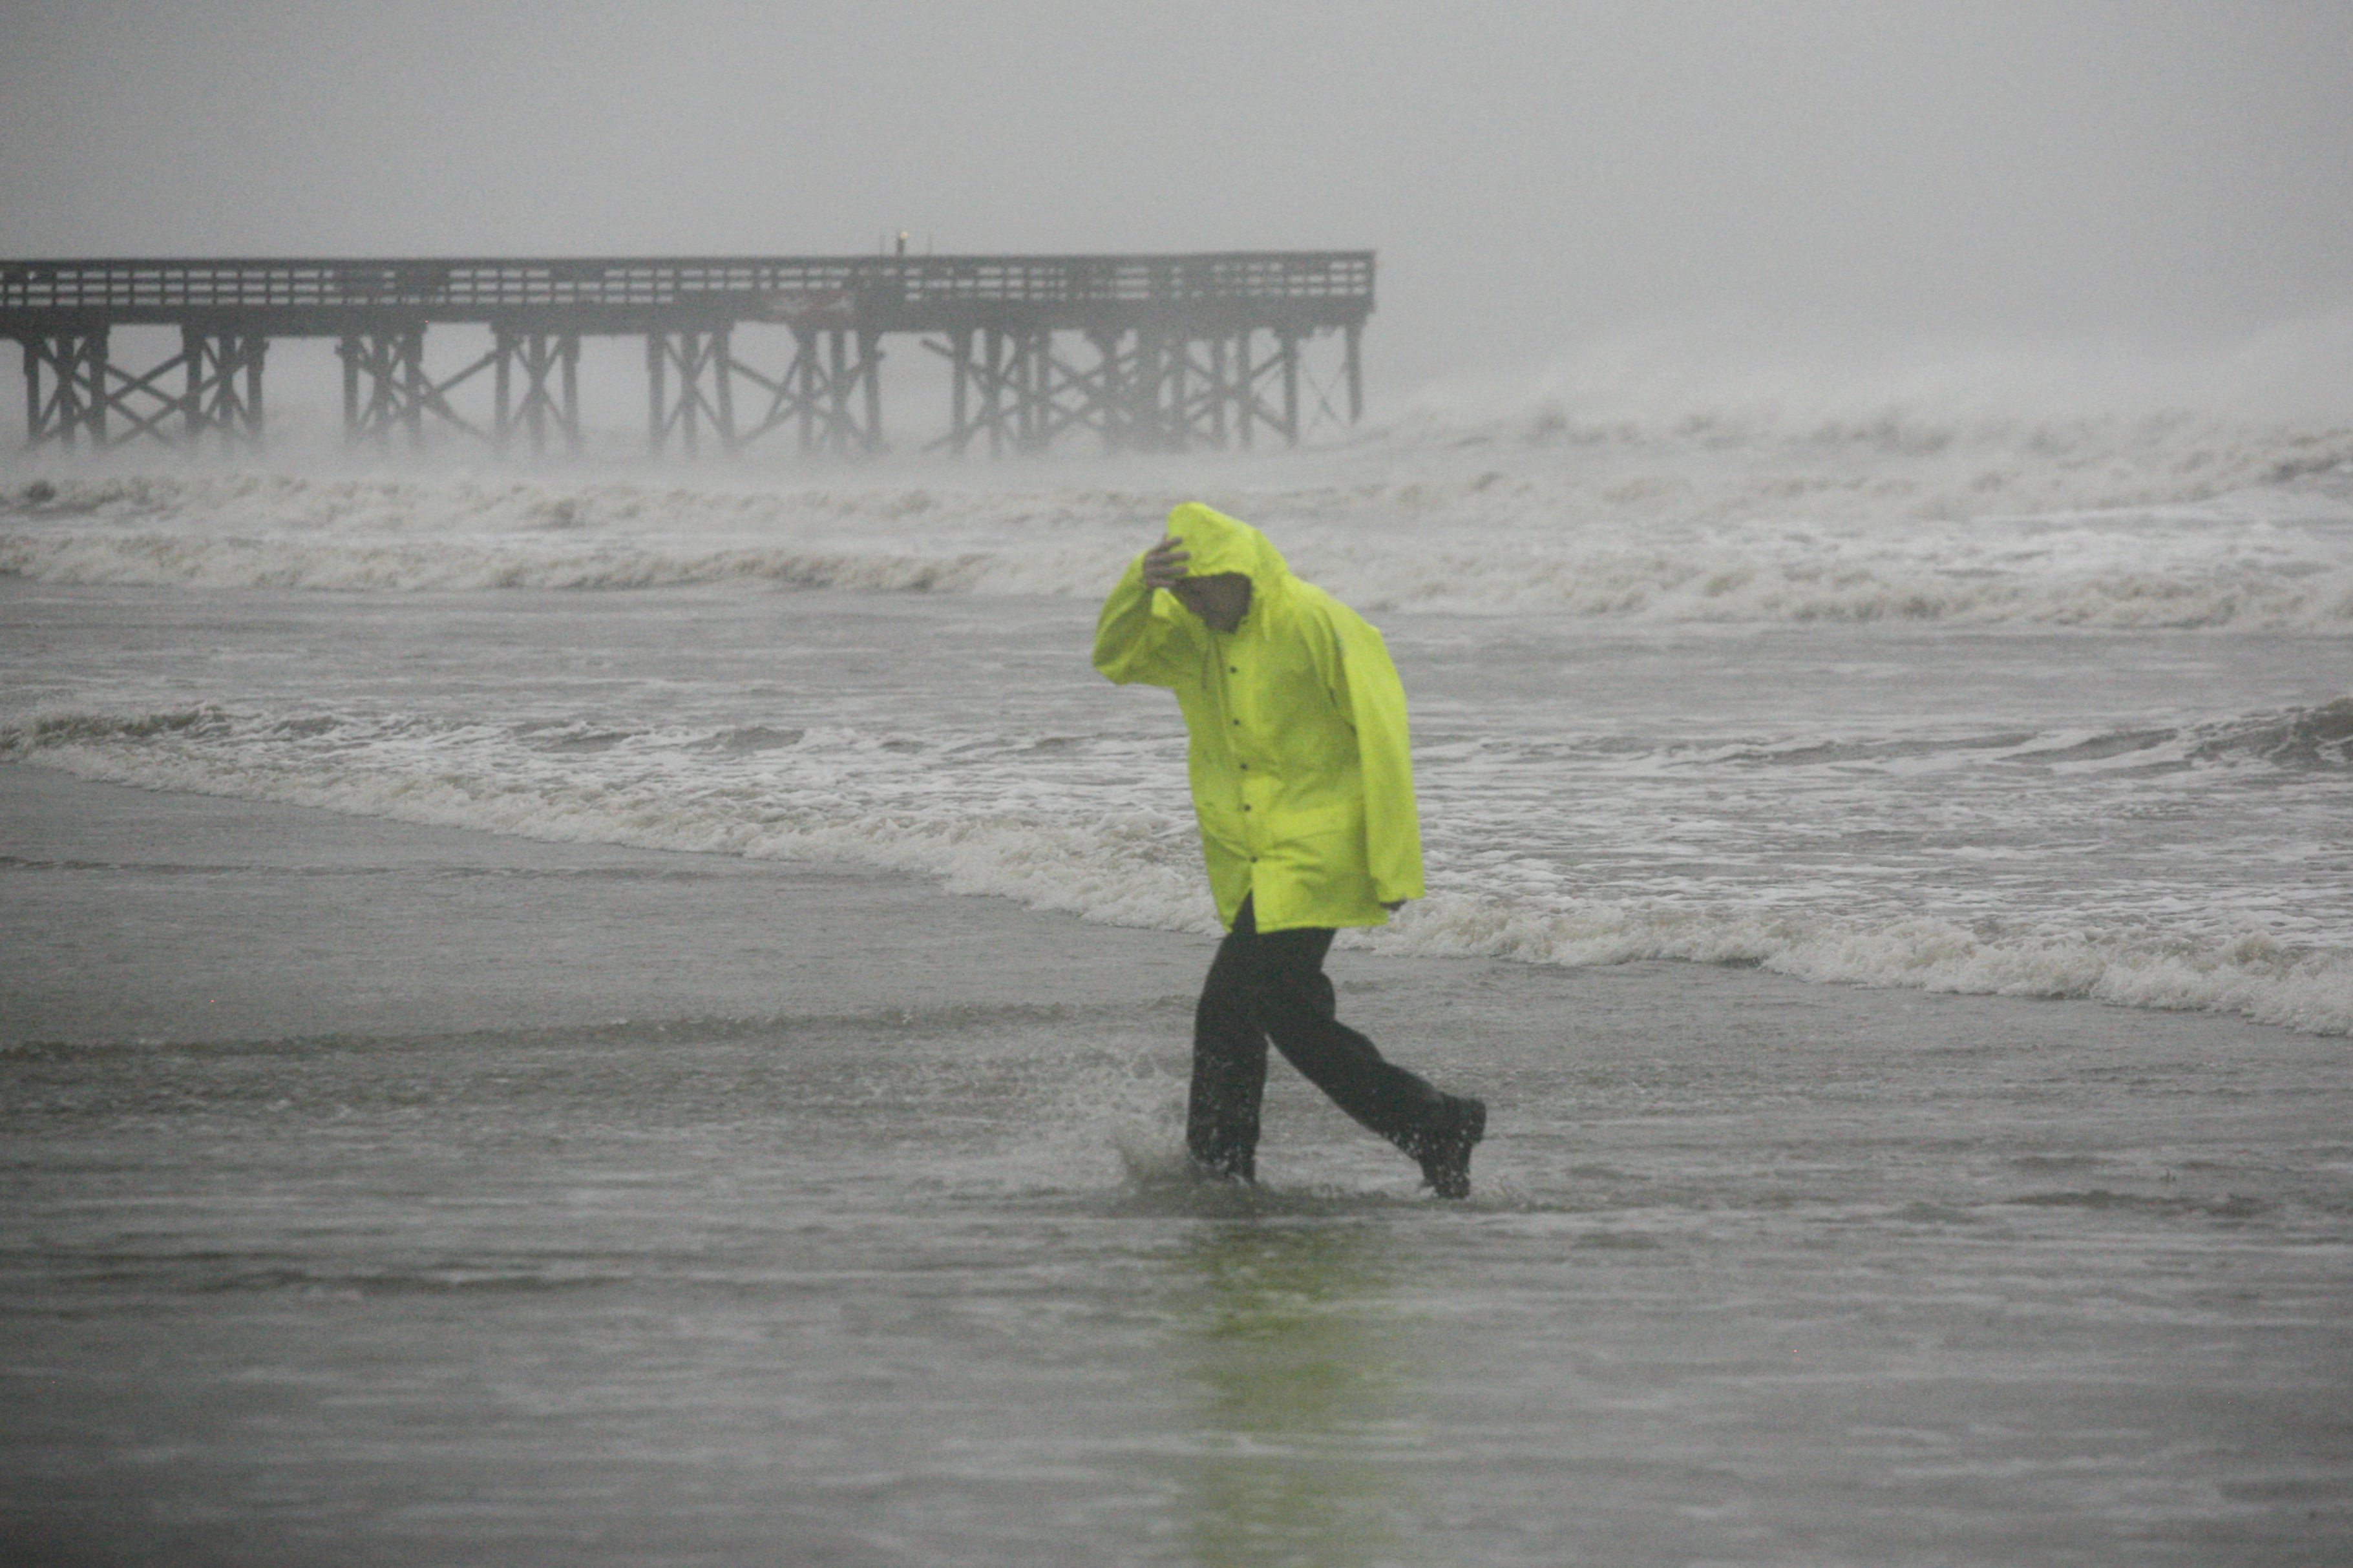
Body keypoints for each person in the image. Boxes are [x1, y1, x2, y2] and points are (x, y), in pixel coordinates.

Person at [1093, 502, 1487, 1197]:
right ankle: (1431, 1125)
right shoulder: (1198, 633)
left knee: (1230, 1007)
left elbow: (1383, 739)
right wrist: (1137, 584)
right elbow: (1117, 658)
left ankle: (1219, 1168)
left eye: (1196, 587)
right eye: (1176, 590)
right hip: (1255, 856)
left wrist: (1392, 863)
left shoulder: (1316, 621)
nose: (1187, 602)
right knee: (1284, 1015)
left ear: (1236, 572)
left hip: (1322, 849)